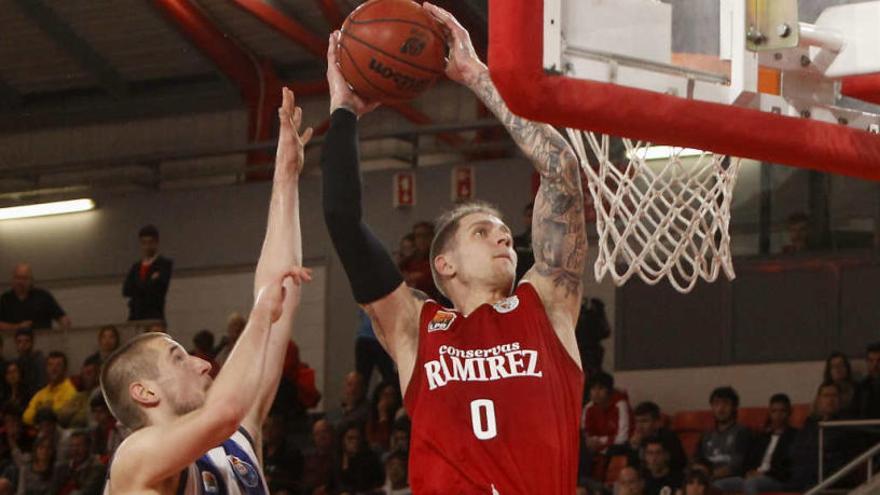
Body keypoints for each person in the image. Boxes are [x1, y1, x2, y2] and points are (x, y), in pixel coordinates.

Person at [320, 2, 586, 492]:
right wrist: (343, 111)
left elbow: (561, 171)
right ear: (443, 263)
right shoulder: (415, 329)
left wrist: (478, 77)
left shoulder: (545, 304)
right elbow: (343, 220)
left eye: (504, 230)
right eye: (482, 232)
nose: (504, 236)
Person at [99, 87, 312, 494]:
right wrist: (260, 315)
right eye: (179, 359)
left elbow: (281, 291)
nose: (203, 364)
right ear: (144, 392)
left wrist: (286, 176)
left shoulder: (236, 440)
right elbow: (224, 411)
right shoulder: (135, 457)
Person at [713, 393, 797, 494]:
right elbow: (749, 459)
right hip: (754, 477)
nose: (778, 415)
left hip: (776, 479)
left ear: (789, 412)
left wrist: (764, 473)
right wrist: (749, 471)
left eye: (782, 411)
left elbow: (788, 467)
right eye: (774, 411)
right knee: (717, 485)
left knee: (751, 483)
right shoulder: (763, 437)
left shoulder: (795, 436)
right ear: (769, 413)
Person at [694, 387, 751, 489]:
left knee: (714, 486)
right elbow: (696, 460)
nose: (721, 408)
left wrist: (709, 476)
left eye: (726, 403)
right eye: (716, 404)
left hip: (733, 478)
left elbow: (736, 467)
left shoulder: (742, 432)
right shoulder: (707, 434)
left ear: (734, 407)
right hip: (707, 478)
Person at [122, 224, 174, 321]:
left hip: (154, 315)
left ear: (156, 243)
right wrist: (149, 283)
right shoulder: (136, 267)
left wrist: (138, 288)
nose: (147, 246)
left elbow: (159, 288)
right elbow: (126, 290)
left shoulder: (164, 264)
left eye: (150, 242)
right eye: (144, 243)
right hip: (135, 315)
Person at [0, 263, 70, 331]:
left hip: (44, 340)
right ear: (12, 279)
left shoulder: (43, 296)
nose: (20, 282)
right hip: (14, 341)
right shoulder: (5, 299)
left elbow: (61, 317)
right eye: (18, 278)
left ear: (31, 280)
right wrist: (17, 327)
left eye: (24, 278)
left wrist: (64, 325)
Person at [626, 401, 686, 474]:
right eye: (637, 422)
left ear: (657, 422)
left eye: (644, 421)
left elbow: (678, 465)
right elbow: (632, 469)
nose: (639, 427)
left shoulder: (668, 438)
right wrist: (634, 449)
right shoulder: (637, 439)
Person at [22, 351, 78, 426]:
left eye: (58, 365)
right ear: (46, 368)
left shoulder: (70, 391)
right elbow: (26, 418)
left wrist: (40, 409)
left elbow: (58, 418)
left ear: (65, 369)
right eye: (50, 365)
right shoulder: (41, 393)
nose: (53, 369)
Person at [53, 430, 106, 495]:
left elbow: (86, 492)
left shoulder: (97, 468)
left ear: (88, 446)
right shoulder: (62, 467)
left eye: (79, 445)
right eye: (72, 446)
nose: (75, 449)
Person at [823, 351, 859, 417]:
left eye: (841, 365)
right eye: (833, 366)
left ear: (847, 368)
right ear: (829, 371)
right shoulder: (825, 389)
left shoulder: (857, 389)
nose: (837, 369)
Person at [859, 341, 880, 419]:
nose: (875, 365)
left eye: (879, 361)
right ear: (867, 362)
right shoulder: (861, 387)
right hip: (866, 429)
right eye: (871, 361)